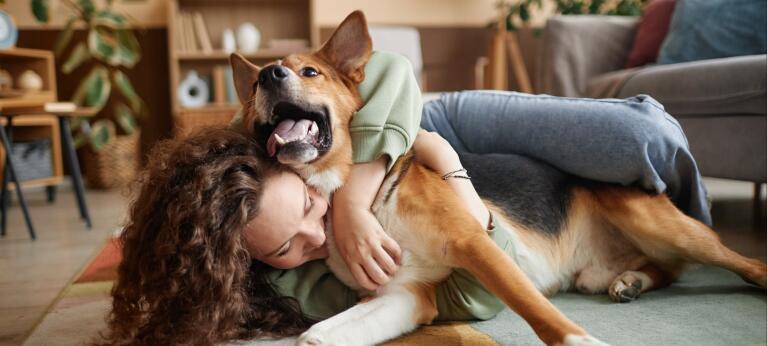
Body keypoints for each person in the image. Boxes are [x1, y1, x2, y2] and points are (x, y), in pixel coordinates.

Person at [98, 52, 712, 345]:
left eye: (308, 214)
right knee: (633, 163)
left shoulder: (273, 143)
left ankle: (685, 233)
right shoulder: (280, 259)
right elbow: (437, 296)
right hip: (428, 180)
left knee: (646, 138)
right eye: (287, 245)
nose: (317, 239)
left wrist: (348, 205)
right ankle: (655, 262)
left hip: (420, 119)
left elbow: (390, 70)